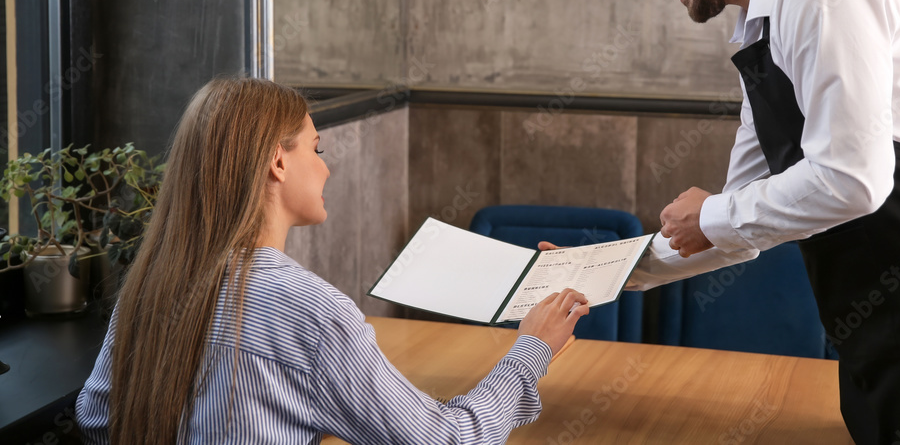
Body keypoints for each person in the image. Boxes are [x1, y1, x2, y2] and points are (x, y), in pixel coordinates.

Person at [592, 0, 900, 444]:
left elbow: (852, 179)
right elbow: (737, 220)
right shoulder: (758, 37)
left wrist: (714, 214)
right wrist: (602, 276)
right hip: (876, 337)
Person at [76, 77, 589, 444]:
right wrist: (532, 350)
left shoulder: (149, 286)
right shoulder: (311, 311)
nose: (325, 169)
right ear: (277, 161)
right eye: (316, 149)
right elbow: (449, 440)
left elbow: (96, 417)